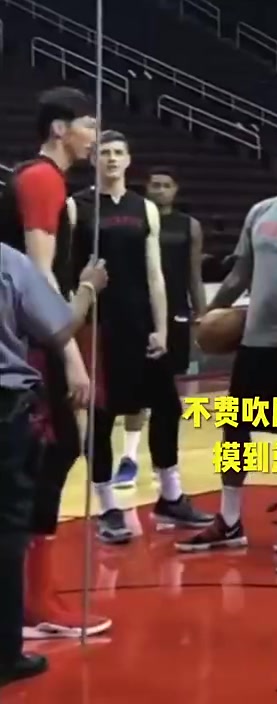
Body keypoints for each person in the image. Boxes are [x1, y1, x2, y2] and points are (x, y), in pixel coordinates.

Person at [0, 86, 111, 639]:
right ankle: (33, 603)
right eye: (89, 125)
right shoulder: (43, 179)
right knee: (53, 452)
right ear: (60, 129)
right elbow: (38, 275)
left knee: (46, 458)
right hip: (33, 347)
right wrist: (70, 354)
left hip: (30, 340)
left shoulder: (43, 180)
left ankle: (30, 598)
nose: (95, 137)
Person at [178, 142, 277, 553]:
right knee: (236, 430)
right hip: (256, 339)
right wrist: (210, 313)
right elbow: (240, 274)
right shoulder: (260, 212)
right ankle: (229, 520)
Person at [71, 131, 211, 544]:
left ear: (129, 159)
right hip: (98, 324)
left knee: (167, 406)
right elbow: (67, 271)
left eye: (118, 152)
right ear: (93, 159)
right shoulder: (77, 206)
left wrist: (162, 328)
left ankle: (171, 496)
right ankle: (107, 506)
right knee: (102, 417)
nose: (112, 159)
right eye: (104, 153)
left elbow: (155, 274)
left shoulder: (144, 207)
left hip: (141, 323)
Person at [0, 245, 109, 688]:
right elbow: (59, 326)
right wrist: (88, 289)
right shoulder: (7, 261)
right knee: (7, 530)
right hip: (4, 406)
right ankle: (5, 654)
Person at [114, 167, 207, 488]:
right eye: (155, 184)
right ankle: (128, 457)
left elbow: (194, 274)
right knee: (139, 390)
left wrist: (202, 314)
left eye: (167, 185)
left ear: (176, 189)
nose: (160, 190)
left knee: (167, 393)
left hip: (177, 313)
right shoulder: (134, 219)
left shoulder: (189, 226)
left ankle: (163, 461)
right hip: (140, 313)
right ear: (146, 188)